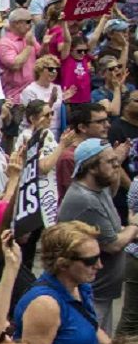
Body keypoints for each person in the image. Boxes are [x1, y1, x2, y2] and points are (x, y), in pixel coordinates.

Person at [57, 138, 138, 333]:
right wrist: (134, 225)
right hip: (91, 293)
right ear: (92, 167)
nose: (117, 165)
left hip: (100, 291)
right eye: (110, 162)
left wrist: (116, 157)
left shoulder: (98, 189)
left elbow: (113, 187)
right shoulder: (85, 199)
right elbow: (113, 244)